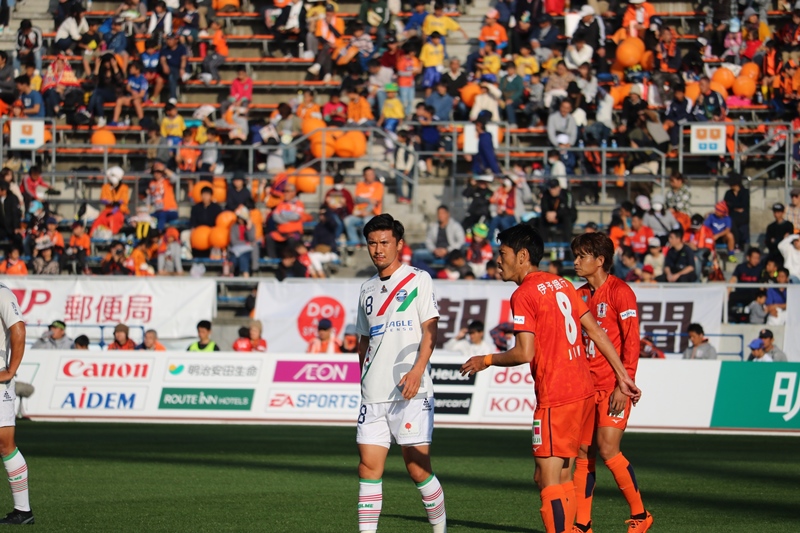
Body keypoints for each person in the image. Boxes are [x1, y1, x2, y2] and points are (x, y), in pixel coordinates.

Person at [459, 224, 640, 533]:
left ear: (522, 256)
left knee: (547, 479)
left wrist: (485, 360)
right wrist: (623, 377)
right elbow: (596, 331)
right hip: (584, 392)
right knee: (563, 475)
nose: (497, 261)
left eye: (502, 254)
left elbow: (524, 352)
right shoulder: (563, 284)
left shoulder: (524, 294)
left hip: (557, 396)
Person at [354, 214, 446, 533]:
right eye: (372, 243)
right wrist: (364, 379)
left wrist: (418, 372)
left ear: (399, 244)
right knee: (368, 468)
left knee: (417, 469)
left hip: (411, 391)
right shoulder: (366, 288)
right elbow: (363, 341)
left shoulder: (418, 279)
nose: (378, 249)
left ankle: (440, 530)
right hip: (373, 395)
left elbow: (430, 329)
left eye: (384, 242)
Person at [571, 232, 653, 533]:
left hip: (612, 386)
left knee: (607, 449)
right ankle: (582, 524)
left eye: (582, 256)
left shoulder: (621, 292)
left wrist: (623, 384)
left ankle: (641, 515)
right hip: (585, 388)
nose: (576, 261)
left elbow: (632, 341)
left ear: (600, 260)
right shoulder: (577, 295)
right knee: (583, 453)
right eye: (576, 255)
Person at [0, 283, 34, 524]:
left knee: (5, 444)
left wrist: (11, 369)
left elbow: (18, 329)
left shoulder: (2, 293)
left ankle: (23, 511)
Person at [344, 167, 384, 245]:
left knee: (367, 221)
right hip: (359, 213)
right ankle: (355, 241)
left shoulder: (378, 185)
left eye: (372, 174)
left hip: (372, 213)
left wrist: (366, 210)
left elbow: (375, 202)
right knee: (347, 220)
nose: (371, 176)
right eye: (368, 174)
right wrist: (368, 200)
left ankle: (364, 243)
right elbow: (357, 199)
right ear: (364, 176)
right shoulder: (360, 185)